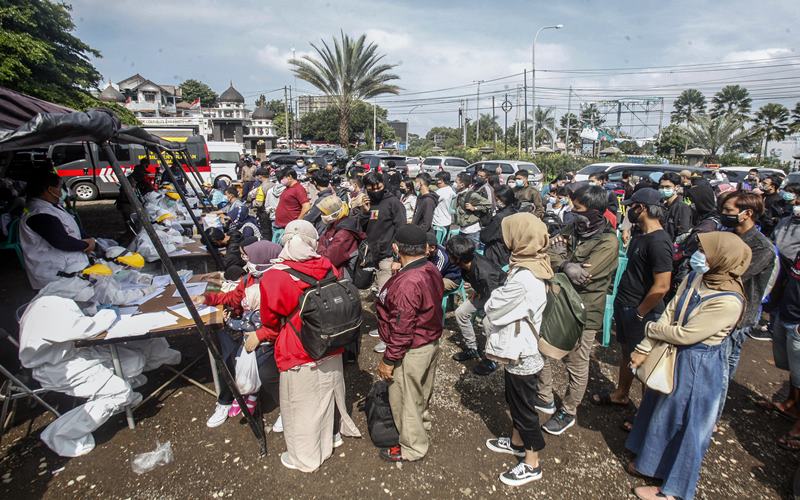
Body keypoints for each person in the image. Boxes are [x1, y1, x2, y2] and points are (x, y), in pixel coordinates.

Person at [626, 232, 750, 500]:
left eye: (705, 252)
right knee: (662, 410)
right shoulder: (700, 277)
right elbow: (672, 309)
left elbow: (687, 334)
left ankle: (673, 490)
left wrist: (650, 328)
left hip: (698, 362)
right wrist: (648, 343)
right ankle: (651, 464)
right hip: (674, 351)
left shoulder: (728, 300)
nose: (699, 256)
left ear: (722, 258)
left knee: (687, 424)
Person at [252, 220, 360, 472]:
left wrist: (258, 335)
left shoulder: (275, 276)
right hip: (331, 340)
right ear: (313, 242)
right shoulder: (326, 265)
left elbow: (271, 322)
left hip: (299, 348)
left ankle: (305, 457)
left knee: (300, 407)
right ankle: (332, 436)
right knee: (328, 394)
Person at [18, 295, 180, 456]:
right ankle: (61, 435)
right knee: (120, 392)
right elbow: (85, 328)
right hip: (59, 368)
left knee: (134, 360)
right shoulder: (53, 306)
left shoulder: (53, 297)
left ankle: (121, 393)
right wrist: (107, 313)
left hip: (72, 352)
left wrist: (97, 309)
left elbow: (86, 304)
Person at [536, 185, 619, 435]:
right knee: (541, 348)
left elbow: (583, 277)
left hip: (584, 310)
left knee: (576, 361)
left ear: (595, 212)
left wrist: (562, 261)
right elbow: (547, 252)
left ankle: (569, 410)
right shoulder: (574, 228)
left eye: (579, 209)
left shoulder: (608, 241)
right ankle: (545, 396)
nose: (573, 212)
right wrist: (564, 263)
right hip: (558, 301)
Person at [593, 188, 672, 430]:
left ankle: (647, 418)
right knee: (627, 354)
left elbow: (662, 285)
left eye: (633, 206)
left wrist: (640, 312)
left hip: (643, 312)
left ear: (643, 208)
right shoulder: (641, 235)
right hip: (626, 306)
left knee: (646, 363)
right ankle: (621, 393)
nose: (628, 210)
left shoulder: (659, 242)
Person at [481, 212, 551, 486]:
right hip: (521, 351)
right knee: (515, 401)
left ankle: (532, 463)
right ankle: (516, 442)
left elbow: (494, 309)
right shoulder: (535, 263)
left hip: (523, 354)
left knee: (524, 410)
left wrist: (495, 295)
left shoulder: (524, 278)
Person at [375, 224, 445, 462]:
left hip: (412, 348)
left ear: (396, 248)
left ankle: (412, 447)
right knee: (420, 392)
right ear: (426, 248)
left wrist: (389, 359)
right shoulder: (429, 267)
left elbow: (403, 328)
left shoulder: (408, 282)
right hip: (429, 341)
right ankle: (420, 428)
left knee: (405, 399)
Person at [196, 240, 282, 428]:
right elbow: (233, 298)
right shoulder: (249, 278)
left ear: (261, 259)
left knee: (265, 371)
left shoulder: (278, 281)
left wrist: (260, 334)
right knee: (233, 356)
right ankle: (244, 393)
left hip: (272, 337)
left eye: (247, 256)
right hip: (251, 330)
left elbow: (280, 321)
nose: (244, 260)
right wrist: (208, 298)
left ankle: (285, 408)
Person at [715, 191, 775, 422]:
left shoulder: (761, 248)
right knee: (723, 365)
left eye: (729, 211)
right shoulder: (729, 234)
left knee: (721, 369)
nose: (724, 215)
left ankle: (710, 419)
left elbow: (732, 275)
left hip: (737, 316)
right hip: (721, 310)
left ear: (747, 214)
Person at [20, 169, 94, 289]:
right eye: (60, 187)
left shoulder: (51, 206)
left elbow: (71, 226)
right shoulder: (39, 213)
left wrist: (87, 239)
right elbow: (61, 241)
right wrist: (87, 244)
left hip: (68, 267)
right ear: (50, 189)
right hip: (54, 272)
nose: (63, 191)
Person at [447, 234, 507, 375]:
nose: (448, 256)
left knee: (488, 323)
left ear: (458, 258)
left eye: (450, 254)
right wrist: (478, 290)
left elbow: (496, 297)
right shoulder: (465, 264)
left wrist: (486, 309)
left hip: (499, 296)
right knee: (461, 312)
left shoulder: (485, 273)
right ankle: (472, 348)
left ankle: (493, 359)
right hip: (485, 291)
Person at [360, 172, 406, 292]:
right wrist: (365, 212)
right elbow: (363, 228)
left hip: (388, 254)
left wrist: (397, 259)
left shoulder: (393, 203)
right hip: (372, 252)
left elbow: (401, 230)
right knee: (380, 289)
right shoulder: (367, 202)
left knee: (384, 292)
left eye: (379, 188)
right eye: (372, 189)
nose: (376, 191)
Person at [316, 195, 365, 272]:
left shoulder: (344, 233)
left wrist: (319, 247)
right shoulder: (335, 224)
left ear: (333, 213)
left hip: (341, 273)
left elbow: (329, 258)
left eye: (323, 213)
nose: (322, 216)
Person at [480, 185, 519, 270]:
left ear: (504, 199)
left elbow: (484, 237)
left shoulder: (500, 217)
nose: (496, 202)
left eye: (497, 200)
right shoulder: (515, 212)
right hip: (510, 253)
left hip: (497, 255)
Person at [453, 172, 491, 248]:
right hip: (463, 228)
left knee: (472, 253)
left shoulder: (471, 195)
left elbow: (488, 204)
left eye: (456, 182)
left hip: (472, 230)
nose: (454, 184)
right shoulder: (459, 194)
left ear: (462, 185)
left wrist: (474, 208)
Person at [659, 172, 693, 243]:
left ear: (676, 187)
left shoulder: (681, 207)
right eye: (662, 187)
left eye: (667, 187)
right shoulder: (663, 206)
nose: (664, 189)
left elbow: (683, 234)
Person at [432, 171, 456, 235]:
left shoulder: (440, 192)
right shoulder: (450, 190)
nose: (436, 181)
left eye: (437, 179)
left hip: (438, 222)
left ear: (441, 180)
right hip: (447, 221)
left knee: (437, 243)